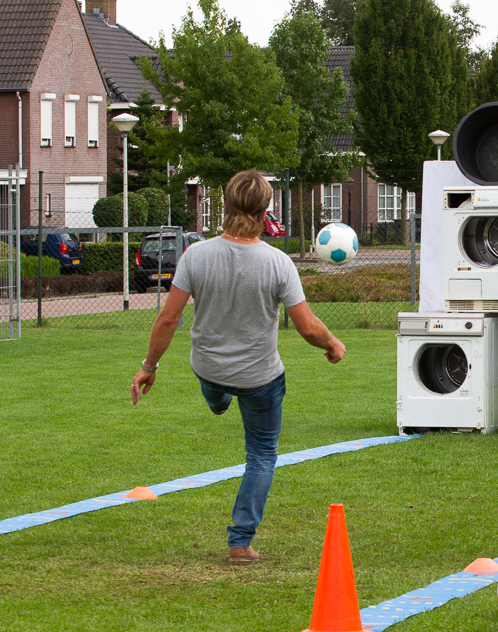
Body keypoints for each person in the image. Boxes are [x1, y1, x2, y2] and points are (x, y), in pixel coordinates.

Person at [130, 169, 346, 566]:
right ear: (266, 210)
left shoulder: (196, 255)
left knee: (216, 395)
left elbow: (167, 320)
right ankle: (239, 543)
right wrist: (332, 344)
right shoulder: (278, 263)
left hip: (208, 369)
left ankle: (216, 400)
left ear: (226, 204)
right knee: (262, 456)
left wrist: (149, 366)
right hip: (259, 378)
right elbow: (307, 327)